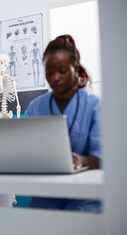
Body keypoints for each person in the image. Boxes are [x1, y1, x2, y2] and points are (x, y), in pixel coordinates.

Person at [25, 34, 102, 212]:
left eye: (62, 70)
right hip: (45, 196)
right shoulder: (36, 106)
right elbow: (24, 150)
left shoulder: (94, 105)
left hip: (84, 197)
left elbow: (106, 158)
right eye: (49, 72)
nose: (55, 78)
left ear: (75, 69)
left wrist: (82, 159)